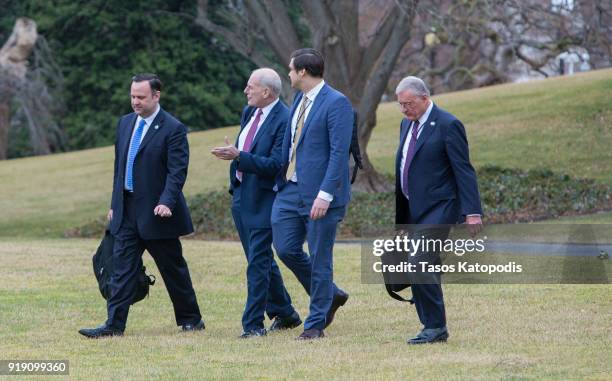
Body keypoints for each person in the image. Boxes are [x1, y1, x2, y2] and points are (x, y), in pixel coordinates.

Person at [79, 73, 204, 338]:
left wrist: (167, 202)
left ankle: (191, 319)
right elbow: (119, 168)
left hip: (159, 213)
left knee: (173, 269)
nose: (135, 102)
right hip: (127, 210)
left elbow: (177, 171)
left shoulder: (173, 128)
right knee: (122, 268)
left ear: (156, 96)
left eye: (141, 97)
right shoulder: (125, 124)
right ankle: (114, 325)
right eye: (132, 96)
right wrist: (115, 204)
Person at [211, 68, 302, 338]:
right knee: (258, 258)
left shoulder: (284, 119)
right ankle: (286, 313)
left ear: (266, 92)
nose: (245, 90)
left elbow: (276, 164)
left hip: (266, 199)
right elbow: (246, 150)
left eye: (250, 86)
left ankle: (253, 325)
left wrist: (239, 155)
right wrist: (236, 161)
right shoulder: (249, 111)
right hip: (242, 194)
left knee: (258, 263)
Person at [394, 76, 483, 344]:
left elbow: (463, 170)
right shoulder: (405, 124)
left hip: (440, 207)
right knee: (422, 264)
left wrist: (473, 211)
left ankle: (435, 326)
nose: (404, 109)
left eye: (408, 103)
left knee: (418, 261)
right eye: (400, 104)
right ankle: (431, 325)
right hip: (413, 208)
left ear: (424, 98)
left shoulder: (448, 124)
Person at [271, 48, 352, 340]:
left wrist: (326, 194)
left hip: (320, 196)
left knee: (320, 258)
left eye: (291, 69)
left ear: (302, 72)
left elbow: (338, 153)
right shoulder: (298, 100)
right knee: (285, 248)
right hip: (290, 190)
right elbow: (291, 144)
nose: (289, 74)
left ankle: (315, 324)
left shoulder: (337, 103)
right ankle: (331, 294)